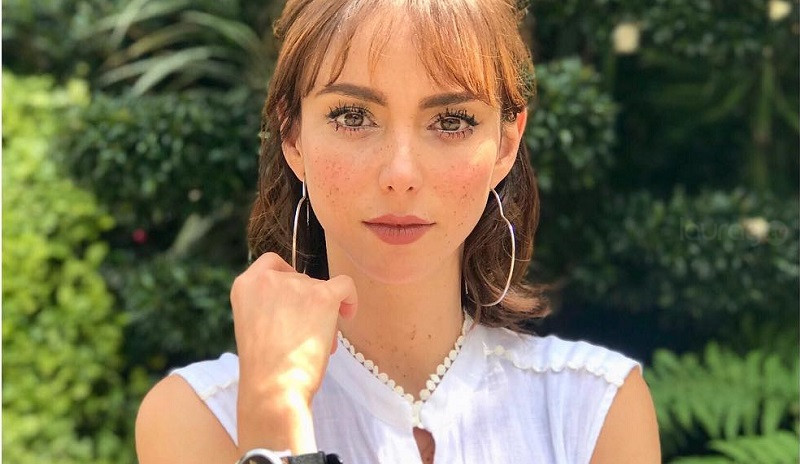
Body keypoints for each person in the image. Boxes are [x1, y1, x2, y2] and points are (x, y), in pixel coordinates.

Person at [135, 0, 661, 462]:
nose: (401, 175)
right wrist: (274, 412)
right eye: (353, 117)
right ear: (292, 136)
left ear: (505, 145)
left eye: (451, 121)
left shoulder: (592, 409)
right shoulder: (199, 416)